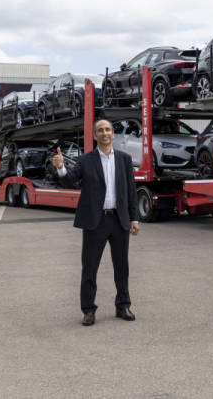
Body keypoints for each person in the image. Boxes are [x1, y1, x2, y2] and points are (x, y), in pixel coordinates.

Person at [52, 119, 139, 326]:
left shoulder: (125, 160)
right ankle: (88, 310)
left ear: (113, 134)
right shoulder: (86, 160)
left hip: (119, 220)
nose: (104, 133)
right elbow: (70, 181)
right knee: (89, 268)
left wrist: (134, 218)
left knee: (122, 267)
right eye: (100, 130)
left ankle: (123, 305)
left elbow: (131, 192)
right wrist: (61, 167)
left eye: (108, 129)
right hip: (95, 221)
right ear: (94, 135)